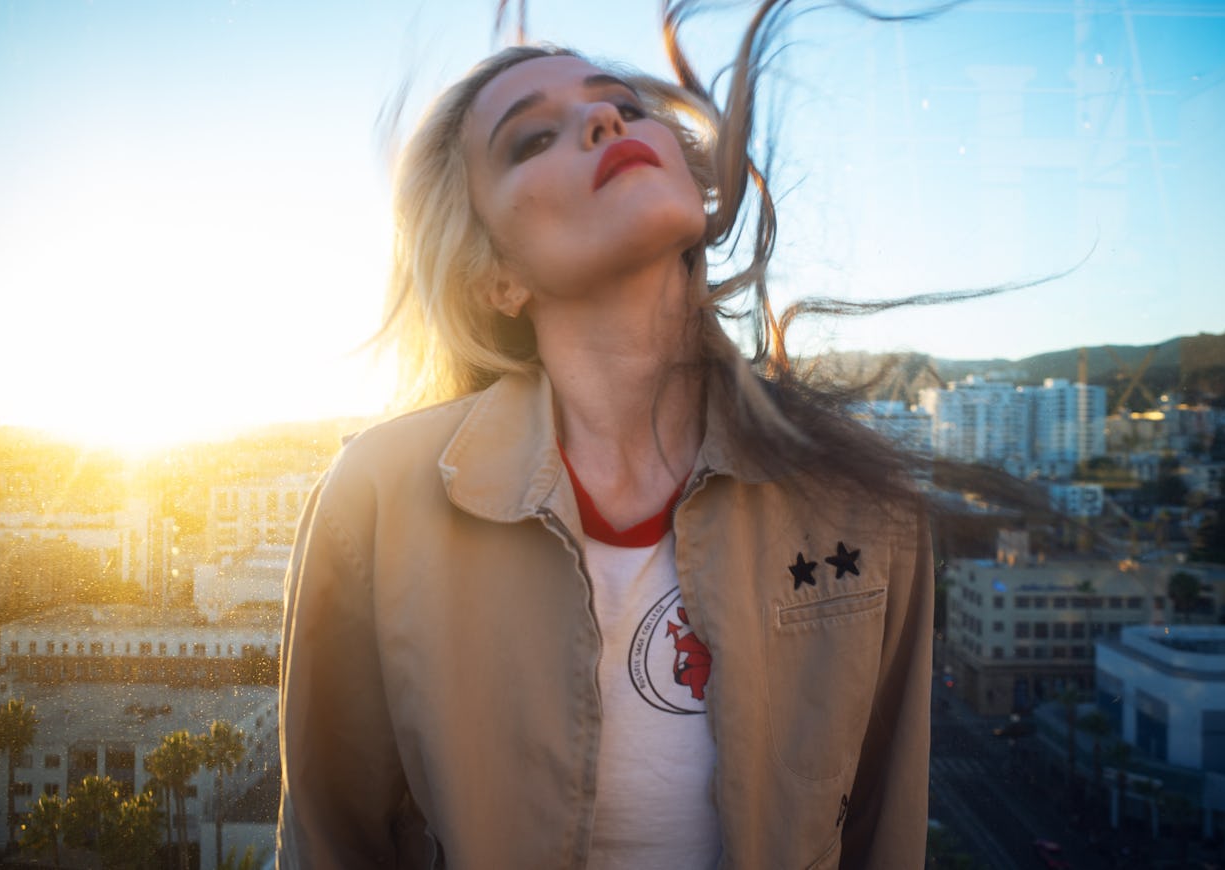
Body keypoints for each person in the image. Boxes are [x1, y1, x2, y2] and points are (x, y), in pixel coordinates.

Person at [277, 8, 934, 868]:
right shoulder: (378, 496)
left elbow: (886, 836)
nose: (606, 120)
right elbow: (332, 844)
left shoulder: (857, 496)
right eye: (530, 139)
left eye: (623, 104)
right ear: (495, 276)